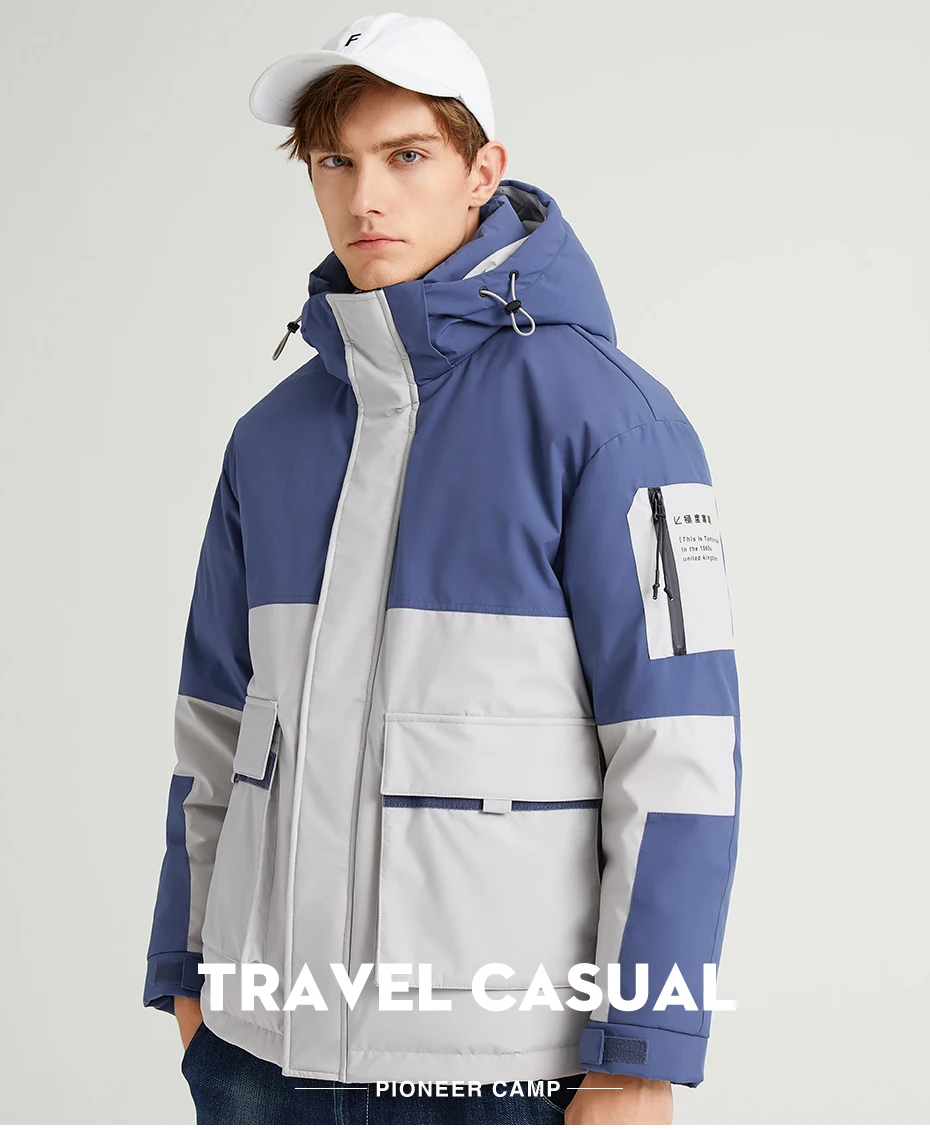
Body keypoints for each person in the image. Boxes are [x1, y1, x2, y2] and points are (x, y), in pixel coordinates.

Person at [142, 11, 742, 1125]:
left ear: (482, 171)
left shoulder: (616, 425)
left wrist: (638, 1061)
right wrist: (186, 977)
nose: (365, 197)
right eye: (336, 162)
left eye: (406, 155)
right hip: (255, 1059)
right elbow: (212, 729)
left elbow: (680, 758)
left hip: (493, 1077)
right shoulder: (268, 440)